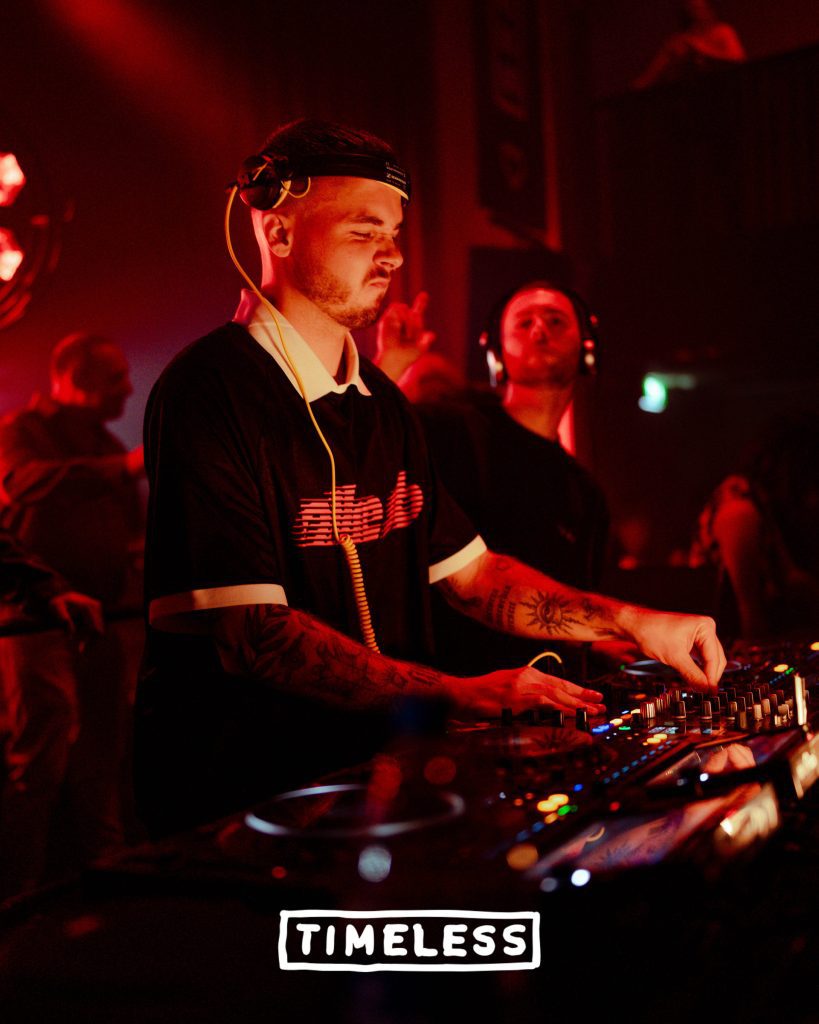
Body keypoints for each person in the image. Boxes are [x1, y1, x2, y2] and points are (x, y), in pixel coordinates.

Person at [137, 118, 725, 838]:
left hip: (374, 795)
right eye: (363, 232)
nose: (390, 256)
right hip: (245, 809)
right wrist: (461, 694)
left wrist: (638, 623)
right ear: (279, 231)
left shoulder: (382, 405)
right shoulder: (209, 391)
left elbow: (473, 577)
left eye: (393, 235)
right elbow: (252, 632)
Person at [375, 282, 612, 677]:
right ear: (496, 352)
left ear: (586, 347)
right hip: (448, 692)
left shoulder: (586, 494)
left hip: (549, 696)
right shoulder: (450, 429)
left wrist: (605, 640)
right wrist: (391, 361)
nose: (540, 330)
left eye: (555, 321)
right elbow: (358, 440)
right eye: (524, 323)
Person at [0, 332, 145, 877]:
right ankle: (20, 900)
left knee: (103, 761)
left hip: (103, 620)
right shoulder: (19, 431)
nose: (128, 389)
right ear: (76, 379)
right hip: (37, 623)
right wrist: (124, 470)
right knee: (39, 763)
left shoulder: (106, 444)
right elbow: (25, 483)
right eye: (115, 378)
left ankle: (110, 887)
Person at [0, 529, 102, 900]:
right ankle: (18, 905)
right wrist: (42, 586)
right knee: (38, 767)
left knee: (96, 769)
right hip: (36, 612)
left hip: (81, 603)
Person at [692, 412, 819, 646]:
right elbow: (748, 611)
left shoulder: (761, 503)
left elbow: (792, 580)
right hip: (729, 648)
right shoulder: (739, 507)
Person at [633, 0, 745, 90]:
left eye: (699, 8)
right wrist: (637, 87)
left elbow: (738, 59)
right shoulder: (681, 40)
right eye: (691, 9)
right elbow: (655, 71)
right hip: (690, 94)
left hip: (723, 89)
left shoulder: (723, 32)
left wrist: (700, 49)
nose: (696, 13)